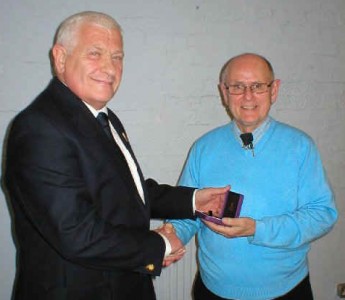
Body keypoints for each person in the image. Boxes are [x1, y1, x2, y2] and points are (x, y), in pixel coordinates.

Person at [2, 11, 229, 300]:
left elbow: (126, 191)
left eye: (117, 57)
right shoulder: (40, 128)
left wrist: (194, 200)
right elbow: (76, 233)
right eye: (95, 53)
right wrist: (157, 246)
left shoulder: (103, 118)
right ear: (60, 58)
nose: (109, 68)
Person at [166, 53, 338, 299]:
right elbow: (188, 213)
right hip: (213, 291)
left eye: (257, 86)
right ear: (224, 93)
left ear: (274, 90)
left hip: (286, 291)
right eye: (237, 87)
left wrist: (257, 229)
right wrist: (171, 235)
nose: (248, 96)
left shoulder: (300, 147)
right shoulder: (203, 148)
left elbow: (323, 215)